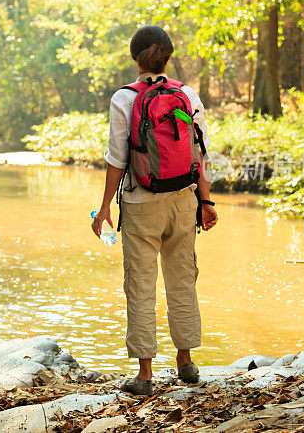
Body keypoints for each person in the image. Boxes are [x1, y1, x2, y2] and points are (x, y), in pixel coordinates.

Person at [91, 25, 218, 395]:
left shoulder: (124, 99)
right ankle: (186, 361)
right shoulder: (188, 95)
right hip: (183, 200)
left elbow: (117, 158)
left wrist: (103, 210)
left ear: (135, 59)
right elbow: (201, 155)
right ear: (167, 57)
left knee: (141, 284)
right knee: (182, 279)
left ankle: (145, 374)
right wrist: (206, 202)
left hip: (140, 204)